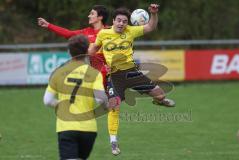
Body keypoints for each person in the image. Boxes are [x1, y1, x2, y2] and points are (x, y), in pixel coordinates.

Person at [88, 4, 175, 154]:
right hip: (114, 77)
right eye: (119, 20)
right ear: (113, 21)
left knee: (161, 94)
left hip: (132, 73)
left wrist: (153, 14)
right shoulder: (103, 34)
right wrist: (99, 64)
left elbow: (150, 27)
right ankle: (114, 142)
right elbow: (93, 50)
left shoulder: (130, 31)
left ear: (128, 23)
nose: (121, 24)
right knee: (114, 106)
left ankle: (158, 101)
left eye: (124, 21)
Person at [38, 5, 121, 155]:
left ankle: (113, 141)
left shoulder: (111, 31)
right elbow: (68, 33)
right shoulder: (85, 33)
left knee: (115, 106)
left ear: (100, 17)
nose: (89, 16)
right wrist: (49, 25)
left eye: (92, 13)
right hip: (90, 77)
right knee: (93, 103)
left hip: (105, 75)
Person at [43, 35, 111, 160]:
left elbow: (47, 100)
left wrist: (59, 104)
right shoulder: (93, 73)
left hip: (66, 126)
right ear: (86, 52)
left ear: (69, 51)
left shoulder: (58, 72)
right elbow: (101, 100)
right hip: (89, 129)